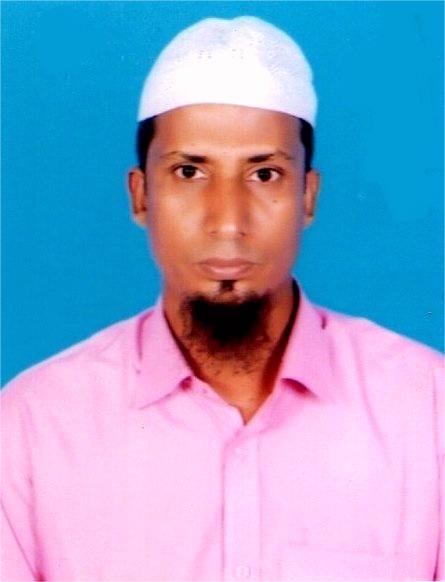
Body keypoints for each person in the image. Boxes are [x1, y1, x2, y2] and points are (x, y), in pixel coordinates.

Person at [1, 15, 443, 582]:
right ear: (141, 196)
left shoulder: (429, 413)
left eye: (265, 174)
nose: (228, 221)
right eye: (189, 172)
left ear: (308, 196)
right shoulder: (32, 429)